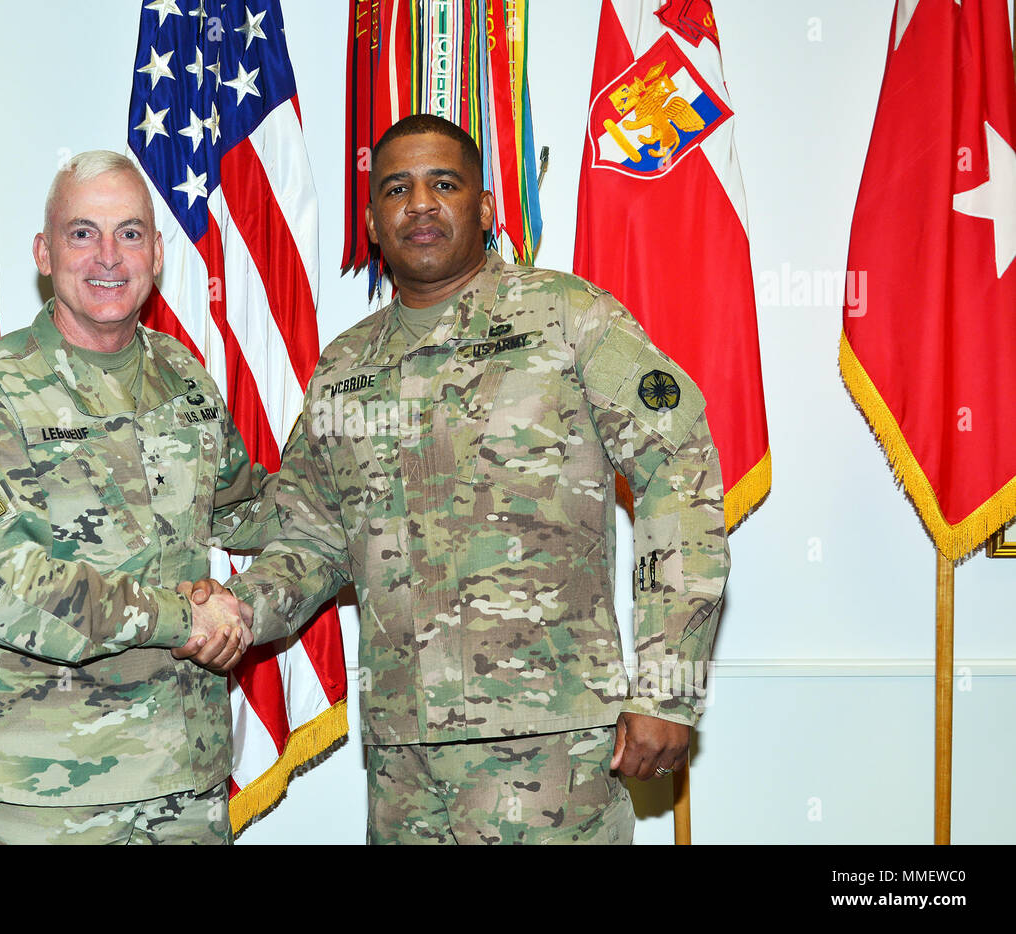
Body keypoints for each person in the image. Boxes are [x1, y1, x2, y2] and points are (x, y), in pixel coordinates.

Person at [210, 114, 730, 844]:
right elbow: (314, 538)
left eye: (444, 184)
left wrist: (668, 689)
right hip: (403, 758)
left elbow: (679, 471)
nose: (420, 204)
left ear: (484, 208)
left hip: (553, 750)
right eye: (397, 189)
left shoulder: (568, 317)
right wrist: (229, 614)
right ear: (373, 222)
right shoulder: (346, 365)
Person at [0, 151, 259, 844]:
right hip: (46, 804)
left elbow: (243, 510)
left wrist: (353, 493)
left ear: (157, 254)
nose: (108, 256)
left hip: (188, 793)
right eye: (82, 233)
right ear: (44, 252)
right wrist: (180, 619)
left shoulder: (184, 378)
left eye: (130, 233)